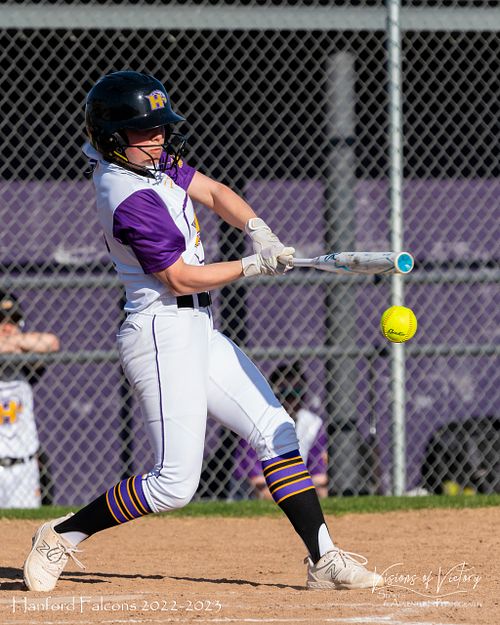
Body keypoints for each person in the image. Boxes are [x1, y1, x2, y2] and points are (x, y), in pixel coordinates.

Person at [23, 71, 382, 592]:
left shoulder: (148, 162)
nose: (158, 139)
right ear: (112, 138)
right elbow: (178, 278)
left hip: (198, 327)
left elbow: (211, 190)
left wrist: (259, 231)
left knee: (276, 430)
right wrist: (252, 267)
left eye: (160, 128)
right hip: (160, 333)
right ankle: (60, 536)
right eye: (144, 131)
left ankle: (323, 559)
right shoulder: (125, 193)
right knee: (174, 485)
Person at [234, 362, 328, 499]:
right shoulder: (257, 421)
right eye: (284, 391)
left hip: (295, 492)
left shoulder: (313, 423)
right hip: (250, 498)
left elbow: (319, 480)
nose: (291, 398)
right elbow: (259, 487)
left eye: (296, 391)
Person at [0, 291, 60, 508]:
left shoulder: (25, 363)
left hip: (23, 469)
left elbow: (51, 343)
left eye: (13, 321)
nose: (8, 327)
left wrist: (12, 343)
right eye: (1, 321)